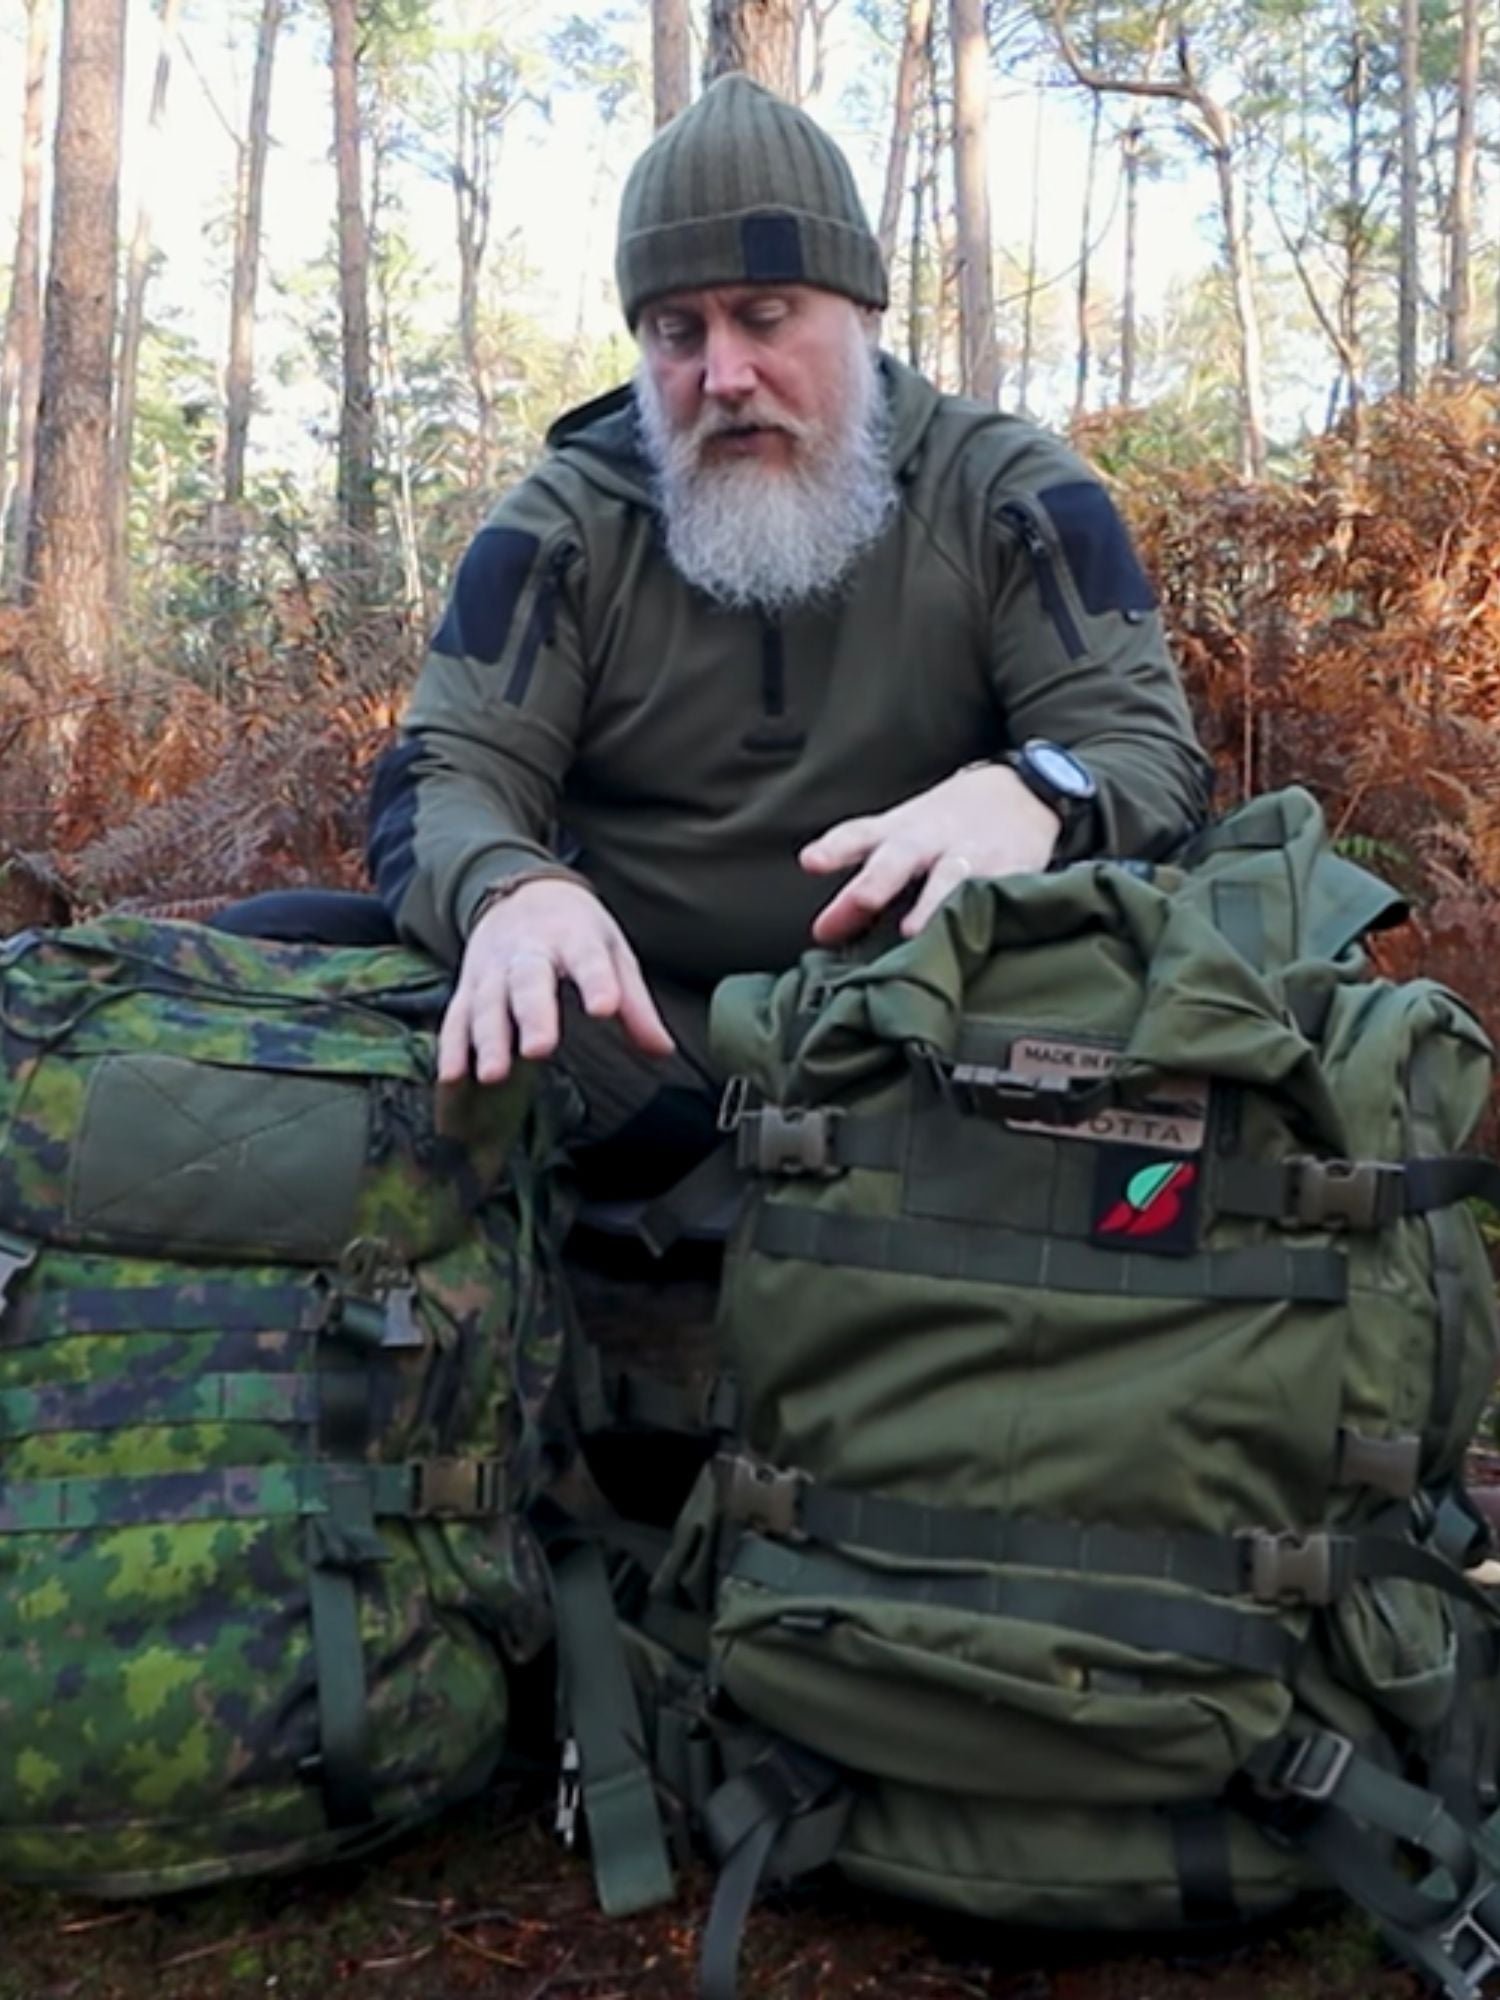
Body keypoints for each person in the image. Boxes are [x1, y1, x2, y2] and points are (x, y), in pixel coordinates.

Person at [354, 74, 1214, 1193]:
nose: (724, 376)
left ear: (860, 312)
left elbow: (1148, 755)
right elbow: (440, 776)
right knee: (296, 953)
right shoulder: (564, 526)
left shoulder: (1010, 497)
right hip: (632, 1040)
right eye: (678, 332)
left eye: (764, 318)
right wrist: (510, 889)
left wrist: (1036, 790)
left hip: (929, 1031)